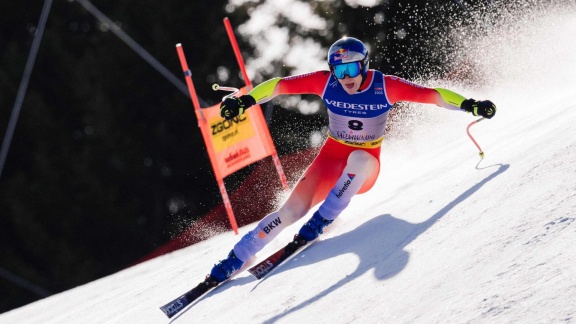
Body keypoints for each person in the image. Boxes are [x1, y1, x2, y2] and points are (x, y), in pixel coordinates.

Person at [209, 37, 496, 283]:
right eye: (338, 70)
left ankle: (322, 219)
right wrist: (244, 101)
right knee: (290, 211)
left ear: (364, 65)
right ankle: (237, 258)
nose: (345, 77)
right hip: (330, 158)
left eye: (351, 68)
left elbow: (433, 95)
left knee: (358, 159)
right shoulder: (326, 83)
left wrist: (470, 105)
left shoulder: (385, 86)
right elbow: (278, 86)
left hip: (365, 165)